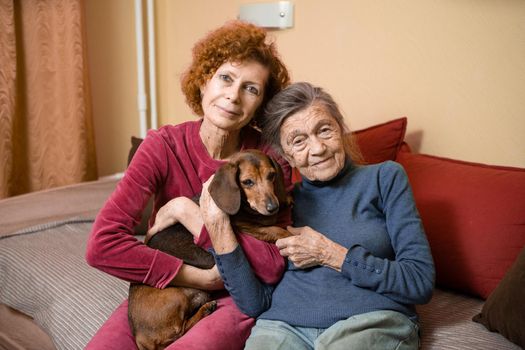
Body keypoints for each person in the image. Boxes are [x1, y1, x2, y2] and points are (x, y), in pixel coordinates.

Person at [85, 20, 292, 350]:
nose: (233, 96)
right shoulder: (162, 146)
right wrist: (199, 277)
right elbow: (102, 246)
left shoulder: (267, 160)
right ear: (204, 81)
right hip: (166, 286)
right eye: (225, 78)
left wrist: (187, 211)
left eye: (251, 89)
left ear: (261, 104)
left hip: (232, 297)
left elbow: (271, 265)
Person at [244, 82, 435, 350]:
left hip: (371, 321)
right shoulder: (278, 202)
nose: (319, 148)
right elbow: (254, 300)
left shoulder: (385, 178)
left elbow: (420, 281)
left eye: (324, 130)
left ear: (340, 128)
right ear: (287, 155)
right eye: (299, 141)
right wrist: (214, 223)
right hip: (281, 326)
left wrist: (331, 254)